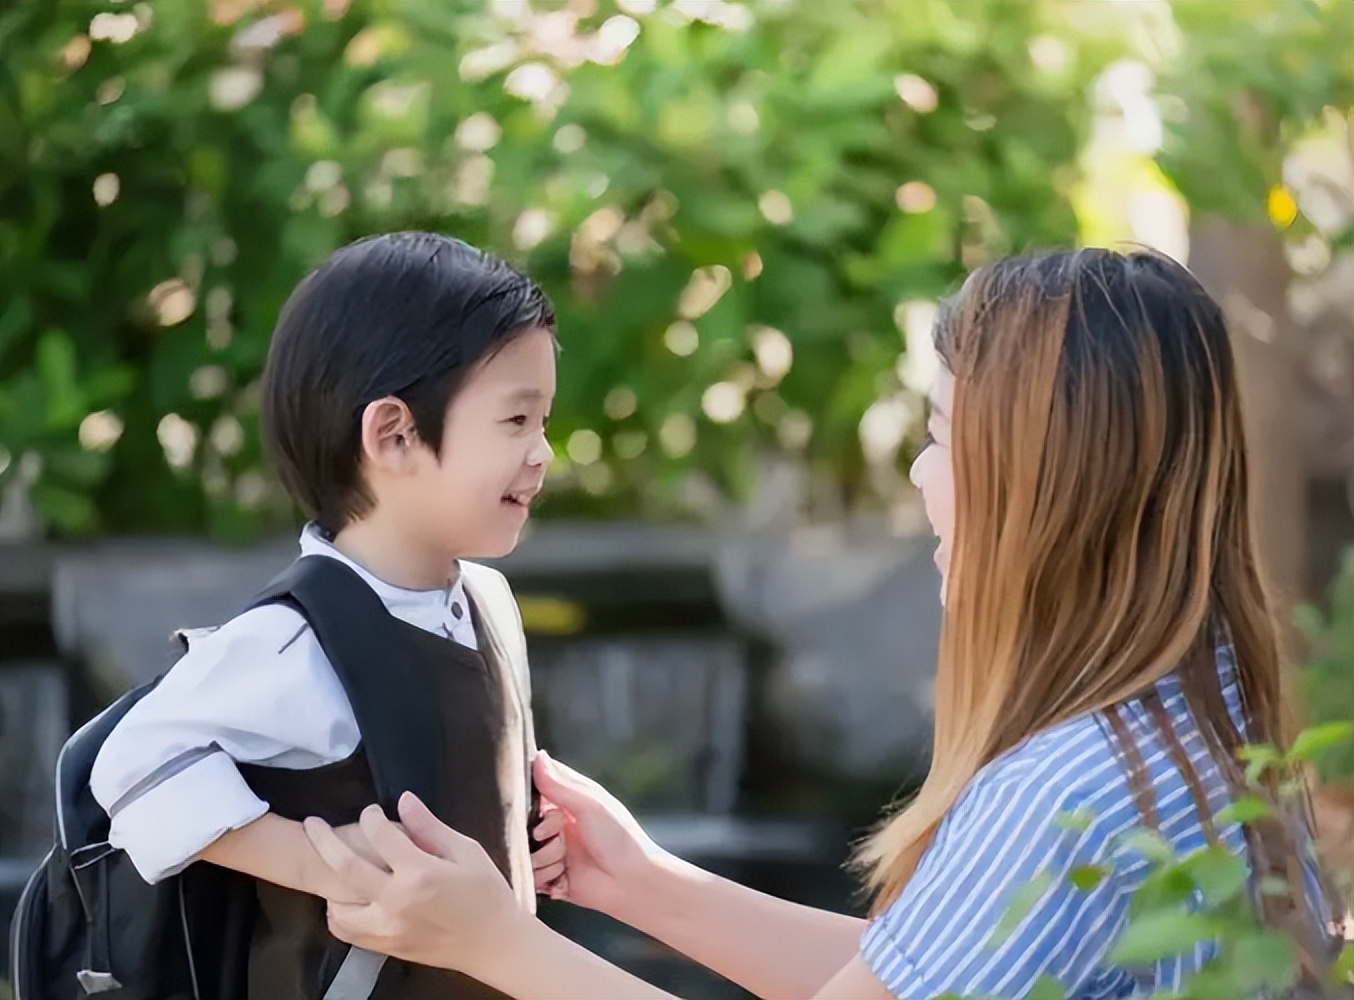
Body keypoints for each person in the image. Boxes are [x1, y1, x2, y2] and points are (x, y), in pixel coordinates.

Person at [302, 248, 1344, 999]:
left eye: (939, 435)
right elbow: (913, 976)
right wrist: (644, 885)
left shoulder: (1062, 788)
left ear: (1040, 481)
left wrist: (494, 943)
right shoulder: (1205, 722)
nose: (920, 473)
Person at [88, 232, 557, 999]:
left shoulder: (486, 603)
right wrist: (323, 859)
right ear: (394, 435)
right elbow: (132, 766)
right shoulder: (298, 641)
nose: (543, 454)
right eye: (516, 422)